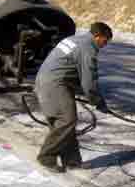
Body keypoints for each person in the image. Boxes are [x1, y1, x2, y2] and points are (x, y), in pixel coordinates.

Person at [34, 22, 113, 172]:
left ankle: (72, 161)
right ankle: (46, 157)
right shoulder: (88, 48)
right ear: (97, 36)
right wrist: (98, 102)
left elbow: (72, 70)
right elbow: (89, 82)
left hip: (46, 81)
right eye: (105, 40)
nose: (105, 45)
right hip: (55, 84)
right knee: (67, 120)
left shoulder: (75, 39)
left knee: (62, 122)